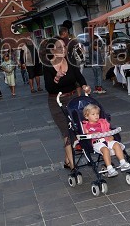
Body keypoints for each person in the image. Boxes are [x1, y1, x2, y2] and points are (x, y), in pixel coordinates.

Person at [43, 37, 92, 170]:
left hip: (72, 100)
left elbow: (79, 77)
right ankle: (73, 166)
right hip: (56, 101)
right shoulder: (47, 66)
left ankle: (67, 160)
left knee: (76, 128)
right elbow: (49, 88)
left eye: (64, 47)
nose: (64, 50)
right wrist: (57, 77)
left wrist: (84, 86)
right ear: (53, 50)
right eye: (60, 48)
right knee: (66, 131)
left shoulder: (70, 62)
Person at [82, 103, 130, 177]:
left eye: (97, 114)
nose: (96, 116)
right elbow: (86, 135)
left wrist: (111, 136)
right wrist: (93, 134)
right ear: (86, 116)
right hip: (97, 143)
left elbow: (108, 130)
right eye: (93, 114)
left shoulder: (103, 122)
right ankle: (109, 168)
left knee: (117, 144)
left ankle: (123, 163)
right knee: (105, 150)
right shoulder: (86, 126)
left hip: (107, 139)